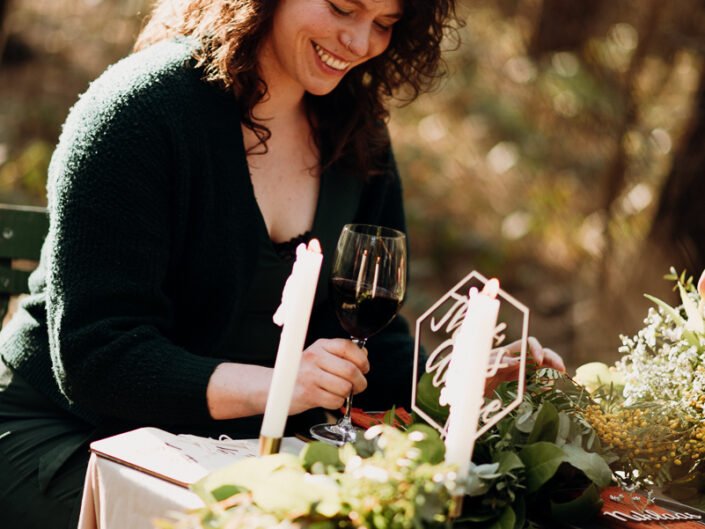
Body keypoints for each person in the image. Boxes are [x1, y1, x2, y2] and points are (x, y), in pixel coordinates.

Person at [0, 0, 563, 527]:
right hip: (63, 435)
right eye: (343, 7)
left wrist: (457, 383)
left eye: (385, 22)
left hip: (229, 451)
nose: (359, 40)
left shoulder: (355, 133)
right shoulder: (141, 112)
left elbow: (370, 340)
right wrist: (279, 386)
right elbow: (100, 358)